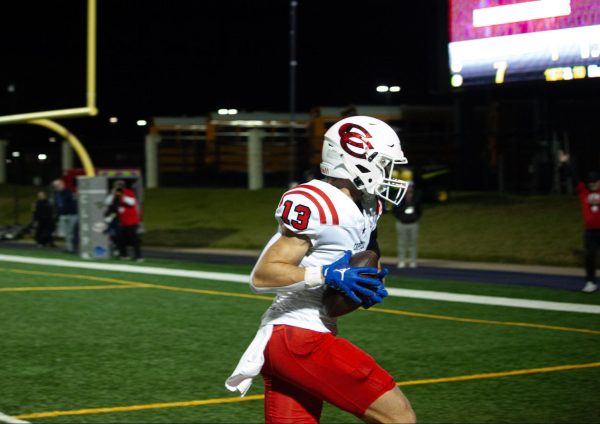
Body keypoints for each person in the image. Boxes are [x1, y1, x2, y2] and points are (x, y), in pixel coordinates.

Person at [225, 116, 416, 423]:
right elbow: (262, 276)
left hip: (298, 336)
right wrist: (326, 274)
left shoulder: (369, 205)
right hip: (298, 335)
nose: (388, 171)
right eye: (382, 162)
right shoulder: (316, 203)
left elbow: (367, 252)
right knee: (400, 417)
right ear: (354, 159)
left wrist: (369, 280)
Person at [104, 180, 143, 261]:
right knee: (121, 239)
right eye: (116, 186)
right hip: (121, 221)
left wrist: (122, 195)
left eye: (119, 186)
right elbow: (107, 202)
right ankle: (124, 255)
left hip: (131, 220)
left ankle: (138, 256)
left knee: (134, 239)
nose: (117, 187)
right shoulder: (115, 194)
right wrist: (112, 194)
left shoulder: (129, 192)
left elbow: (131, 202)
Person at [576, 170, 600, 293]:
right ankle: (590, 282)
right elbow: (574, 177)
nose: (592, 184)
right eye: (590, 182)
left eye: (595, 181)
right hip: (590, 232)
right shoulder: (584, 192)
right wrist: (566, 163)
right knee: (590, 257)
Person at [393, 176, 422, 268]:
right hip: (402, 223)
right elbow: (395, 209)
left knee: (413, 243)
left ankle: (412, 261)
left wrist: (415, 217)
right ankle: (402, 261)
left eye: (411, 186)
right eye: (408, 186)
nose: (409, 188)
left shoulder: (416, 197)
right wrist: (401, 217)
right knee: (402, 243)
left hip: (413, 223)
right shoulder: (400, 197)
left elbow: (419, 210)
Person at [51, 179, 79, 253]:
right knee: (66, 232)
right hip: (63, 215)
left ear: (62, 184)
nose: (56, 187)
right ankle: (69, 247)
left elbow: (70, 203)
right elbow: (57, 204)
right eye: (55, 186)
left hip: (71, 214)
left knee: (71, 232)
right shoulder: (57, 193)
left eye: (57, 185)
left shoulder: (68, 192)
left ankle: (72, 248)